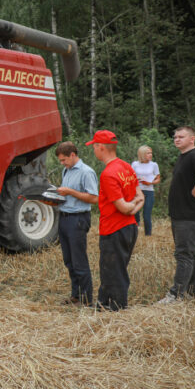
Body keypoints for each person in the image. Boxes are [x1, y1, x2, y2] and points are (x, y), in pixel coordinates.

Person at [86, 130, 144, 311]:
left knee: (114, 271)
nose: (94, 150)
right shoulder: (126, 167)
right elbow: (140, 197)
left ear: (101, 147)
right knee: (110, 269)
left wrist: (129, 208)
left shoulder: (108, 174)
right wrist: (132, 207)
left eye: (94, 146)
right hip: (129, 227)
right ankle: (103, 304)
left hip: (113, 229)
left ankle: (117, 308)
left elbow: (124, 207)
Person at [157, 126, 195, 304]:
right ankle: (192, 291)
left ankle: (176, 295)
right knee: (191, 253)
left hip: (190, 215)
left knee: (184, 254)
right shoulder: (184, 157)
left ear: (192, 139)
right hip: (182, 214)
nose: (177, 139)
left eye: (181, 136)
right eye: (175, 137)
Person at [54, 142, 99, 306]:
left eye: (64, 160)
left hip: (78, 219)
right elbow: (67, 196)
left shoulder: (86, 172)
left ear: (73, 155)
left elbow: (94, 198)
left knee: (79, 260)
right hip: (64, 217)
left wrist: (69, 191)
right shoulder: (66, 170)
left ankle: (86, 299)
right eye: (60, 161)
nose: (62, 163)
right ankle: (76, 295)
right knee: (69, 260)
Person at [132, 145, 161, 236]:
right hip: (137, 191)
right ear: (142, 154)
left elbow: (158, 179)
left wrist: (150, 183)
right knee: (134, 212)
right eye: (148, 153)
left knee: (146, 215)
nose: (151, 155)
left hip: (149, 192)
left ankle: (148, 235)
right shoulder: (135, 164)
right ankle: (135, 231)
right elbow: (130, 177)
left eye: (151, 153)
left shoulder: (154, 165)